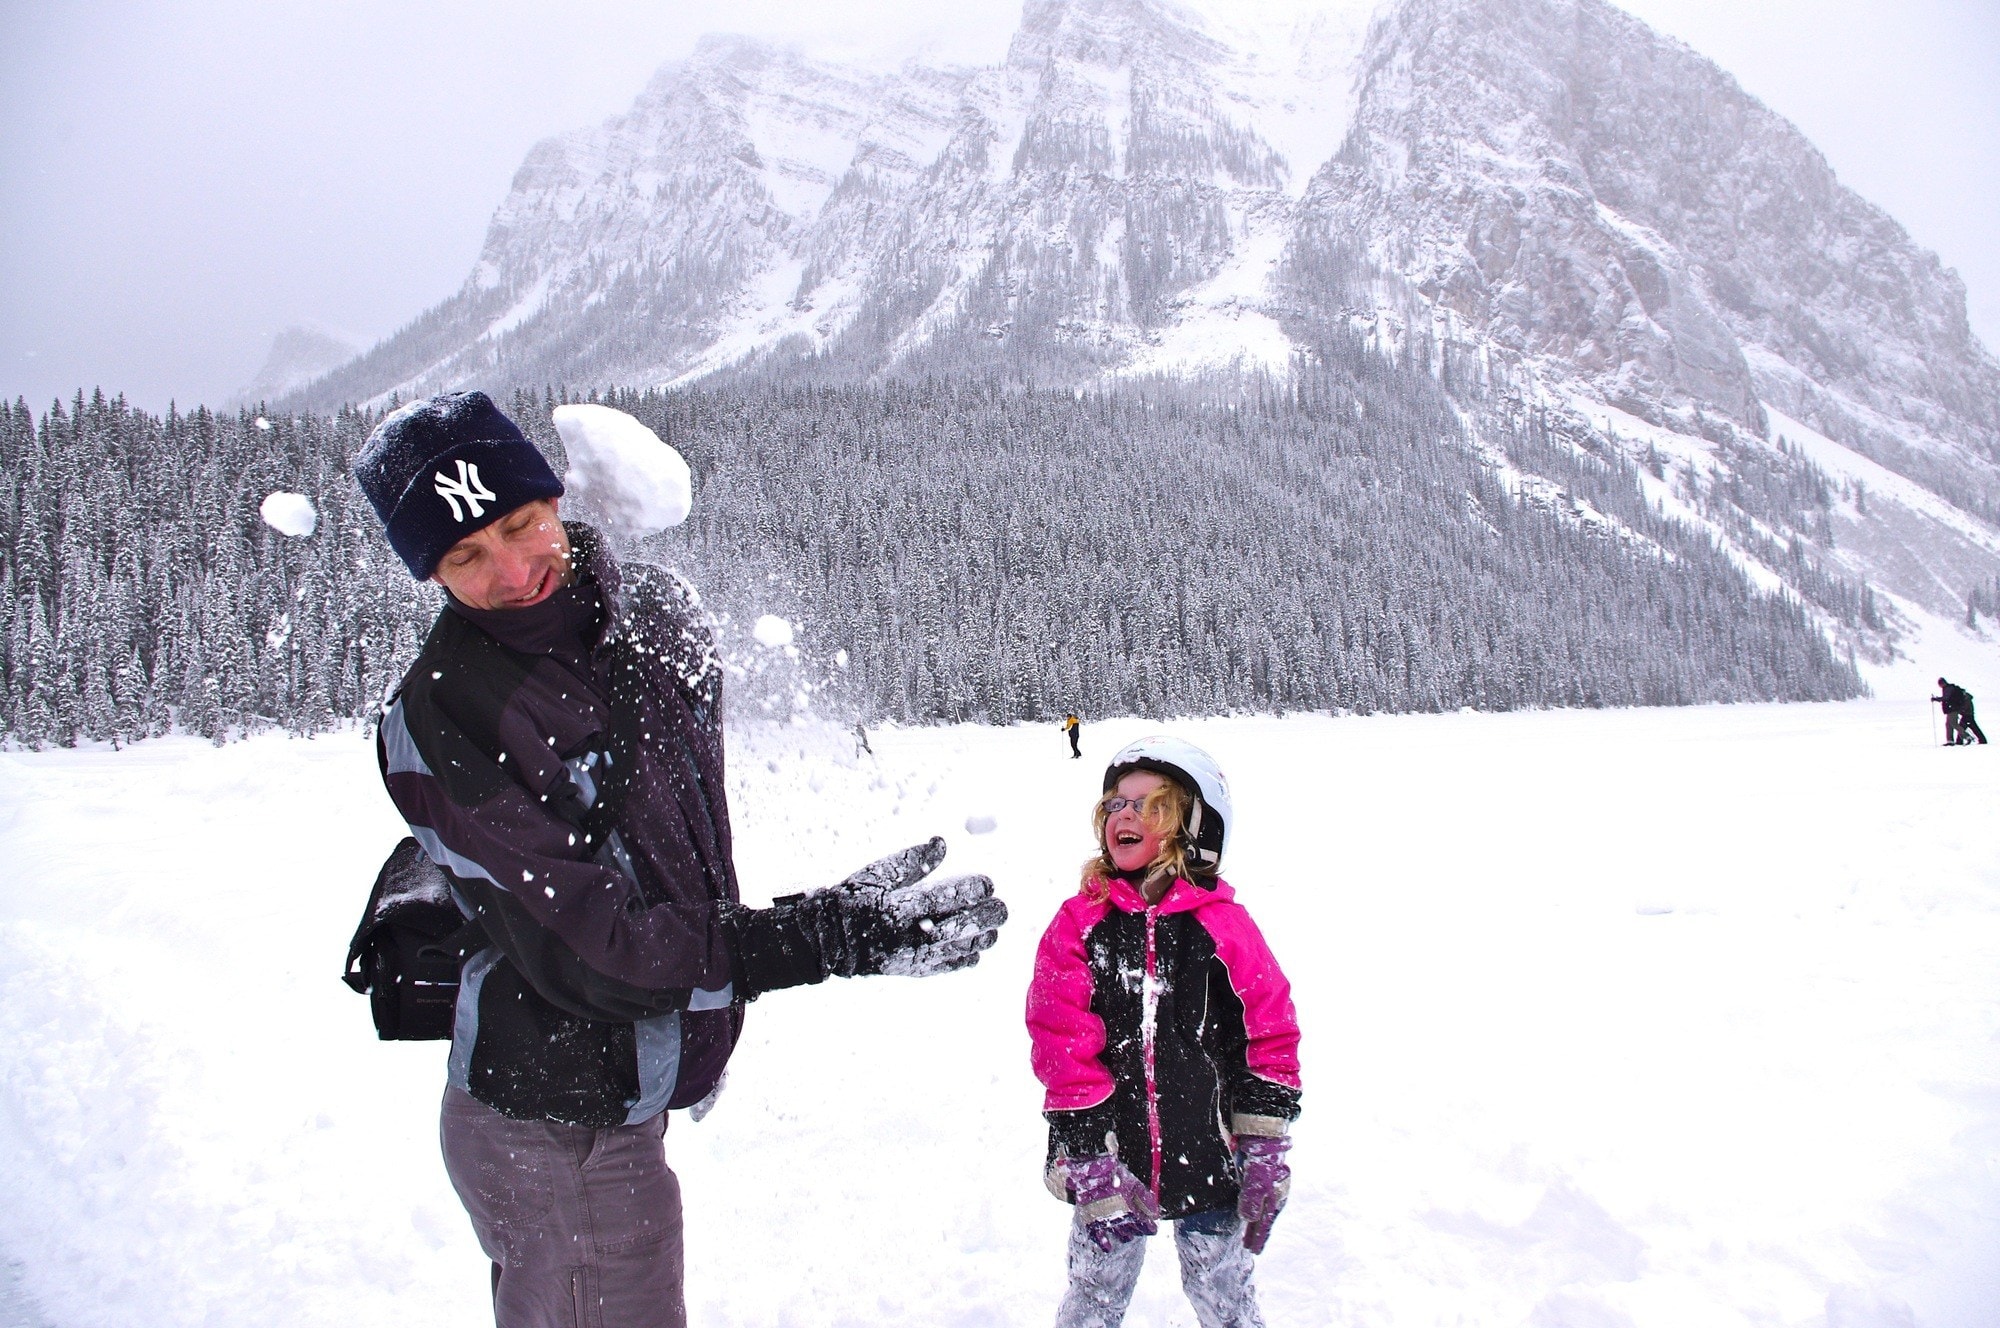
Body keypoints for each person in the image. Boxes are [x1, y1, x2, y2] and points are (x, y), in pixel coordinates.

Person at [353, 391, 1006, 1328]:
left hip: (627, 1084)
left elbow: (673, 847)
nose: (512, 569)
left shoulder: (655, 615)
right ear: (429, 571)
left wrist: (764, 954)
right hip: (557, 1128)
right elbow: (595, 951)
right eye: (465, 555)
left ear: (554, 498)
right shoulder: (447, 713)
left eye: (521, 523)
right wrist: (815, 941)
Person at [1024, 736, 1301, 1328]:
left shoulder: (1224, 927)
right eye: (1114, 804)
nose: (1123, 815)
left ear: (1191, 826)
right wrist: (1086, 1153)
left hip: (1210, 1156)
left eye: (1146, 805)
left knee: (1222, 1287)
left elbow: (1266, 1034)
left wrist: (1264, 1139)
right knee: (1095, 1290)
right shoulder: (1080, 924)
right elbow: (1060, 1041)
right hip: (1112, 1161)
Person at [1934, 676, 1987, 745]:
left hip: (1965, 714)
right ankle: (1956, 741)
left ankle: (1967, 738)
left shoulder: (1950, 689)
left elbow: (1946, 698)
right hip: (1963, 713)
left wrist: (1937, 699)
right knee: (1952, 725)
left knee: (1955, 724)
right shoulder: (1956, 692)